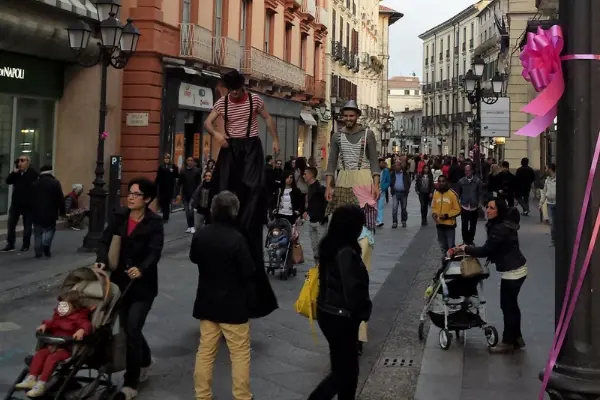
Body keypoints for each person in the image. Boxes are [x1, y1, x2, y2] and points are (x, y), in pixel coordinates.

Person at [203, 70, 278, 319]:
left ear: (242, 87)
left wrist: (275, 140)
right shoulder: (222, 102)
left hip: (251, 147)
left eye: (237, 90)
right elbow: (207, 122)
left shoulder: (254, 100)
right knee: (223, 186)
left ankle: (249, 218)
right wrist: (217, 135)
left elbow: (267, 119)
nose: (234, 94)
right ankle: (222, 219)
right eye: (231, 89)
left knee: (253, 186)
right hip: (231, 146)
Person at [96, 177, 164, 400]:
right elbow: (104, 241)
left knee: (133, 327)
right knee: (128, 330)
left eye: (136, 194)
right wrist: (102, 260)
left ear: (147, 199)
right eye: (130, 192)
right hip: (119, 284)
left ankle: (130, 382)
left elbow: (155, 251)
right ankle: (144, 359)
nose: (131, 197)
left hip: (143, 286)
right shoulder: (119, 216)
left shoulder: (154, 222)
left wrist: (141, 268)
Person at [324, 100, 379, 351]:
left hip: (364, 183)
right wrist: (328, 185)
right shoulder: (336, 136)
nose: (347, 118)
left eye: (351, 114)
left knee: (364, 242)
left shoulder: (368, 134)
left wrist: (377, 183)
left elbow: (375, 161)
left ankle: (358, 329)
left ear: (357, 115)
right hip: (344, 183)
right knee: (340, 239)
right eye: (344, 115)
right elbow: (332, 163)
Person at [190, 191, 255, 400]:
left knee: (206, 351)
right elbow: (249, 271)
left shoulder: (201, 233)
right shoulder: (238, 238)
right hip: (233, 304)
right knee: (239, 353)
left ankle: (202, 395)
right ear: (234, 212)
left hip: (207, 301)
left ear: (214, 210)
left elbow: (194, 257)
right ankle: (242, 396)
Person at [308, 205, 372, 400]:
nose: (362, 228)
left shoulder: (331, 245)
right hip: (341, 316)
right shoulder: (346, 252)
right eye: (360, 224)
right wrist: (362, 311)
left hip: (328, 312)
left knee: (347, 370)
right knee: (343, 373)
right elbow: (352, 289)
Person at [458, 198, 527, 353]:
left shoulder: (499, 229)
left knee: (508, 307)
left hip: (512, 271)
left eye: (491, 208)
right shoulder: (503, 225)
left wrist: (466, 249)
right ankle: (516, 338)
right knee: (512, 306)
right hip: (516, 269)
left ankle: (508, 342)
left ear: (499, 210)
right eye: (487, 207)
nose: (487, 211)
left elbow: (486, 250)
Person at [15, 290, 92, 397]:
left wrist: (82, 330)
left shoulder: (79, 318)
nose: (60, 308)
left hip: (66, 349)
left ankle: (41, 384)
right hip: (53, 345)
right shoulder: (59, 316)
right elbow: (52, 323)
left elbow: (86, 324)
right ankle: (32, 378)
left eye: (64, 306)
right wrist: (45, 326)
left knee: (52, 359)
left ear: (75, 307)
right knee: (41, 354)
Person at [3, 154, 39, 252]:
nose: (20, 163)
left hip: (28, 204)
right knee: (11, 223)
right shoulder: (17, 173)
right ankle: (10, 243)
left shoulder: (33, 173)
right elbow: (8, 181)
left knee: (27, 225)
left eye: (22, 161)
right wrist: (14, 173)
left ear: (28, 162)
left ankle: (25, 244)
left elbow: (34, 187)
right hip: (16, 203)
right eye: (18, 161)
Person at [30, 165, 66, 258]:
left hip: (36, 212)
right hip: (51, 212)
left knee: (37, 232)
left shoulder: (35, 183)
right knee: (49, 230)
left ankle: (38, 251)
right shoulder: (55, 183)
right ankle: (46, 245)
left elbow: (29, 199)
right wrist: (62, 212)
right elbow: (60, 199)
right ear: (51, 171)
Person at [303, 167, 327, 263]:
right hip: (312, 220)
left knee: (320, 248)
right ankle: (317, 270)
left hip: (320, 222)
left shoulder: (319, 188)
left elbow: (327, 201)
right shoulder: (310, 188)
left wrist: (324, 216)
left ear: (311, 175)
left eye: (305, 174)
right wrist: (307, 211)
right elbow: (312, 203)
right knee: (314, 248)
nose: (303, 176)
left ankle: (322, 270)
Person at [431, 175, 461, 253]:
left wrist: (447, 215)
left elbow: (458, 210)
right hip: (439, 225)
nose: (441, 183)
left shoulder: (452, 194)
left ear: (446, 182)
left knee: (450, 247)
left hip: (449, 225)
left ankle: (449, 263)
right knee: (443, 247)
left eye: (443, 181)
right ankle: (444, 263)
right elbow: (434, 206)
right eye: (439, 181)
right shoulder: (436, 194)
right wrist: (434, 214)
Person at [457, 163, 483, 245]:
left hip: (474, 206)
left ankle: (471, 239)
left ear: (472, 171)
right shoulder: (461, 181)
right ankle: (465, 240)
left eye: (468, 170)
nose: (467, 172)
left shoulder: (477, 181)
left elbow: (480, 193)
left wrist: (480, 202)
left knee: (473, 224)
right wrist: (459, 201)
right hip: (464, 205)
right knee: (464, 224)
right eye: (466, 171)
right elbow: (458, 193)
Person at [179, 156, 202, 233]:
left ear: (193, 162)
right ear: (186, 161)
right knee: (186, 211)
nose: (190, 162)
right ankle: (189, 226)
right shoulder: (182, 171)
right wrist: (178, 194)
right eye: (188, 160)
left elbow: (199, 183)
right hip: (185, 194)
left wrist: (198, 194)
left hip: (193, 194)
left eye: (191, 160)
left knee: (191, 210)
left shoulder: (197, 171)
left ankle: (192, 226)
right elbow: (180, 183)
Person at [155, 153, 179, 223]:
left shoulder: (173, 166)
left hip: (169, 188)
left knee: (167, 203)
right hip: (162, 188)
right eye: (165, 158)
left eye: (167, 158)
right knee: (162, 202)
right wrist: (155, 184)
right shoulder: (161, 167)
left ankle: (165, 218)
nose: (166, 160)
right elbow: (158, 177)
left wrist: (173, 171)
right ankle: (164, 215)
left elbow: (177, 175)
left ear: (169, 159)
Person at [389, 159, 411, 228]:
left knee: (404, 208)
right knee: (394, 208)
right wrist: (393, 186)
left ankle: (403, 220)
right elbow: (390, 182)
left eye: (398, 165)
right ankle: (394, 222)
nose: (396, 167)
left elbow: (409, 182)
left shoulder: (405, 174)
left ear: (400, 166)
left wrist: (406, 188)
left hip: (403, 193)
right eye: (395, 166)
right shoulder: (392, 174)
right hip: (395, 193)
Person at [540, 163, 556, 246]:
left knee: (558, 222)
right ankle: (553, 240)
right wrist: (541, 202)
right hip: (550, 203)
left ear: (550, 169)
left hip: (558, 203)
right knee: (552, 222)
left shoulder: (557, 179)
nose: (545, 170)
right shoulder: (547, 180)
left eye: (546, 168)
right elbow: (544, 192)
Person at [376, 158, 391, 227]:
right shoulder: (375, 171)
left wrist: (383, 188)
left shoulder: (386, 171)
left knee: (380, 206)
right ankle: (374, 219)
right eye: (381, 163)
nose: (383, 164)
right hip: (374, 190)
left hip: (381, 190)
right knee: (373, 206)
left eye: (383, 163)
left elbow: (388, 181)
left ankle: (380, 220)